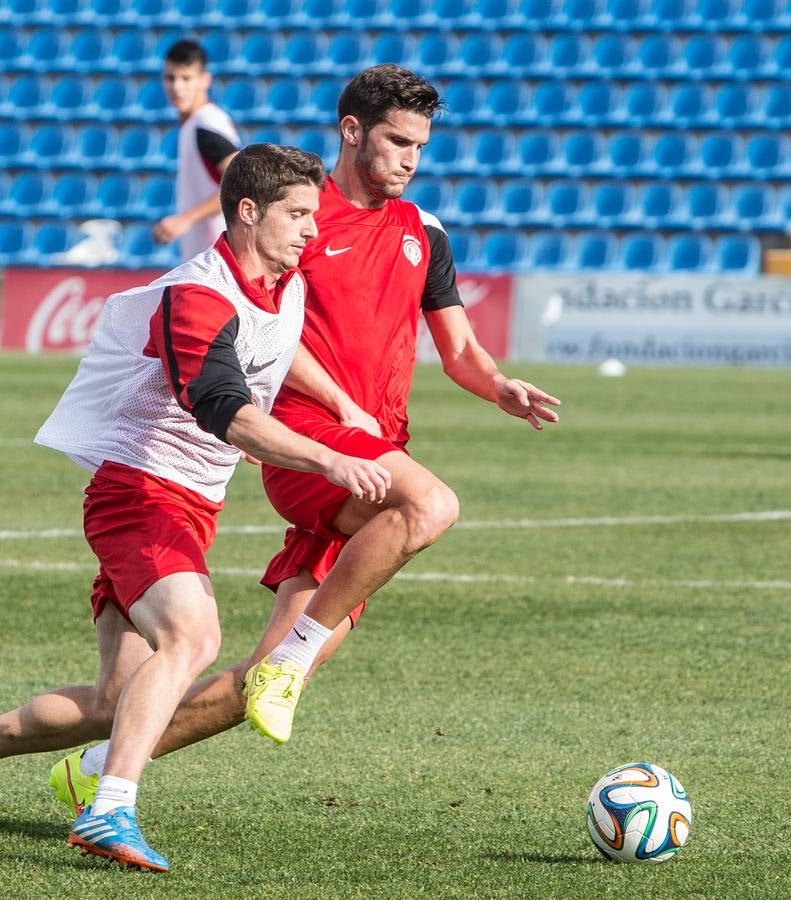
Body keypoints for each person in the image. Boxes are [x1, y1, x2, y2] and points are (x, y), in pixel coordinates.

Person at [46, 64, 562, 808]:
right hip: (309, 441)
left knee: (258, 683)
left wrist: (498, 386)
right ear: (351, 131)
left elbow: (458, 352)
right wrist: (333, 406)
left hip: (376, 450)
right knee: (430, 508)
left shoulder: (424, 231)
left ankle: (96, 768)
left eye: (420, 144)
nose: (411, 158)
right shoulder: (298, 219)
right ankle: (285, 660)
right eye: (396, 140)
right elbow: (255, 330)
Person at [0, 144, 392, 873]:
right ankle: (110, 808)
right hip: (137, 491)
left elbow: (275, 341)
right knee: (192, 640)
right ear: (246, 212)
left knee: (114, 701)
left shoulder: (279, 280)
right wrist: (330, 456)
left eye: (312, 216)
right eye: (295, 215)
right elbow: (224, 409)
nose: (309, 231)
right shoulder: (194, 296)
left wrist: (338, 401)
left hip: (188, 504)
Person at [151, 38, 241, 261]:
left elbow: (240, 182)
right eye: (170, 78)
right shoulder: (195, 124)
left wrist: (187, 218)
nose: (177, 87)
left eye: (186, 78)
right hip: (208, 256)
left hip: (218, 257)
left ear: (205, 80)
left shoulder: (206, 124)